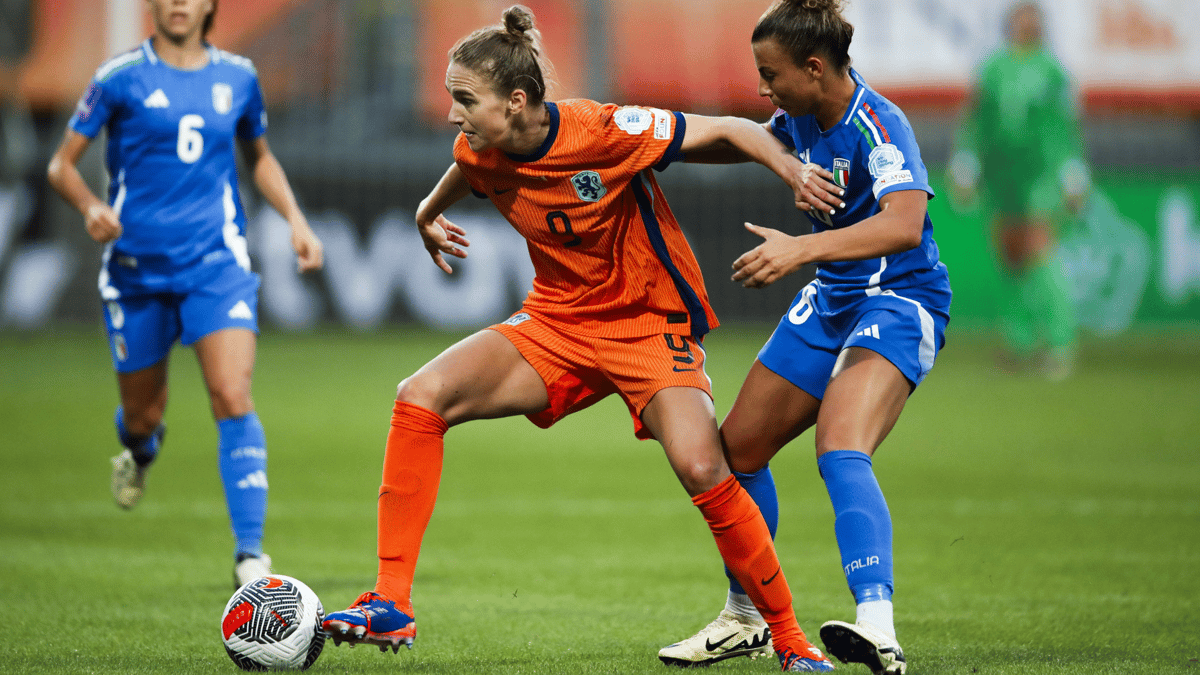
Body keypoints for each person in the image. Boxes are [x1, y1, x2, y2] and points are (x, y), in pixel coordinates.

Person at [320, 5, 834, 671]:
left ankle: (790, 641)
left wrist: (792, 172)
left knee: (704, 466)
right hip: (558, 321)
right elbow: (469, 169)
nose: (453, 115)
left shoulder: (603, 129)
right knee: (421, 395)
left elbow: (734, 128)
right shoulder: (480, 144)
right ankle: (391, 601)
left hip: (647, 322)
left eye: (464, 100)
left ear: (518, 100)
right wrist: (427, 213)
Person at [656, 1, 951, 674]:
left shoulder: (880, 125)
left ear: (815, 68)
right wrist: (642, 148)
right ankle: (746, 615)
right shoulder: (798, 120)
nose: (765, 89)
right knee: (737, 450)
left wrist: (798, 252)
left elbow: (905, 223)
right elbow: (741, 138)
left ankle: (878, 625)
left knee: (841, 444)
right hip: (834, 300)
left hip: (900, 298)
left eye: (771, 74)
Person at [46, 0, 323, 587]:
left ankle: (250, 556)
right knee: (144, 416)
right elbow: (61, 166)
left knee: (232, 393)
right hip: (136, 272)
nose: (178, 4)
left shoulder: (239, 77)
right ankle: (141, 449)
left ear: (209, 7)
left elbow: (261, 157)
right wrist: (92, 207)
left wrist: (296, 220)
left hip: (215, 265)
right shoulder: (118, 78)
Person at [948, 0, 1087, 380]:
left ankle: (1060, 342)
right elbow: (975, 121)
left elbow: (1067, 129)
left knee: (1040, 250)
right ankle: (1019, 341)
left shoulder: (1053, 72)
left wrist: (1073, 175)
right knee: (1010, 255)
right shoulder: (993, 69)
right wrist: (966, 165)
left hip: (1040, 175)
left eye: (1032, 20)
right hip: (1000, 177)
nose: (1026, 25)